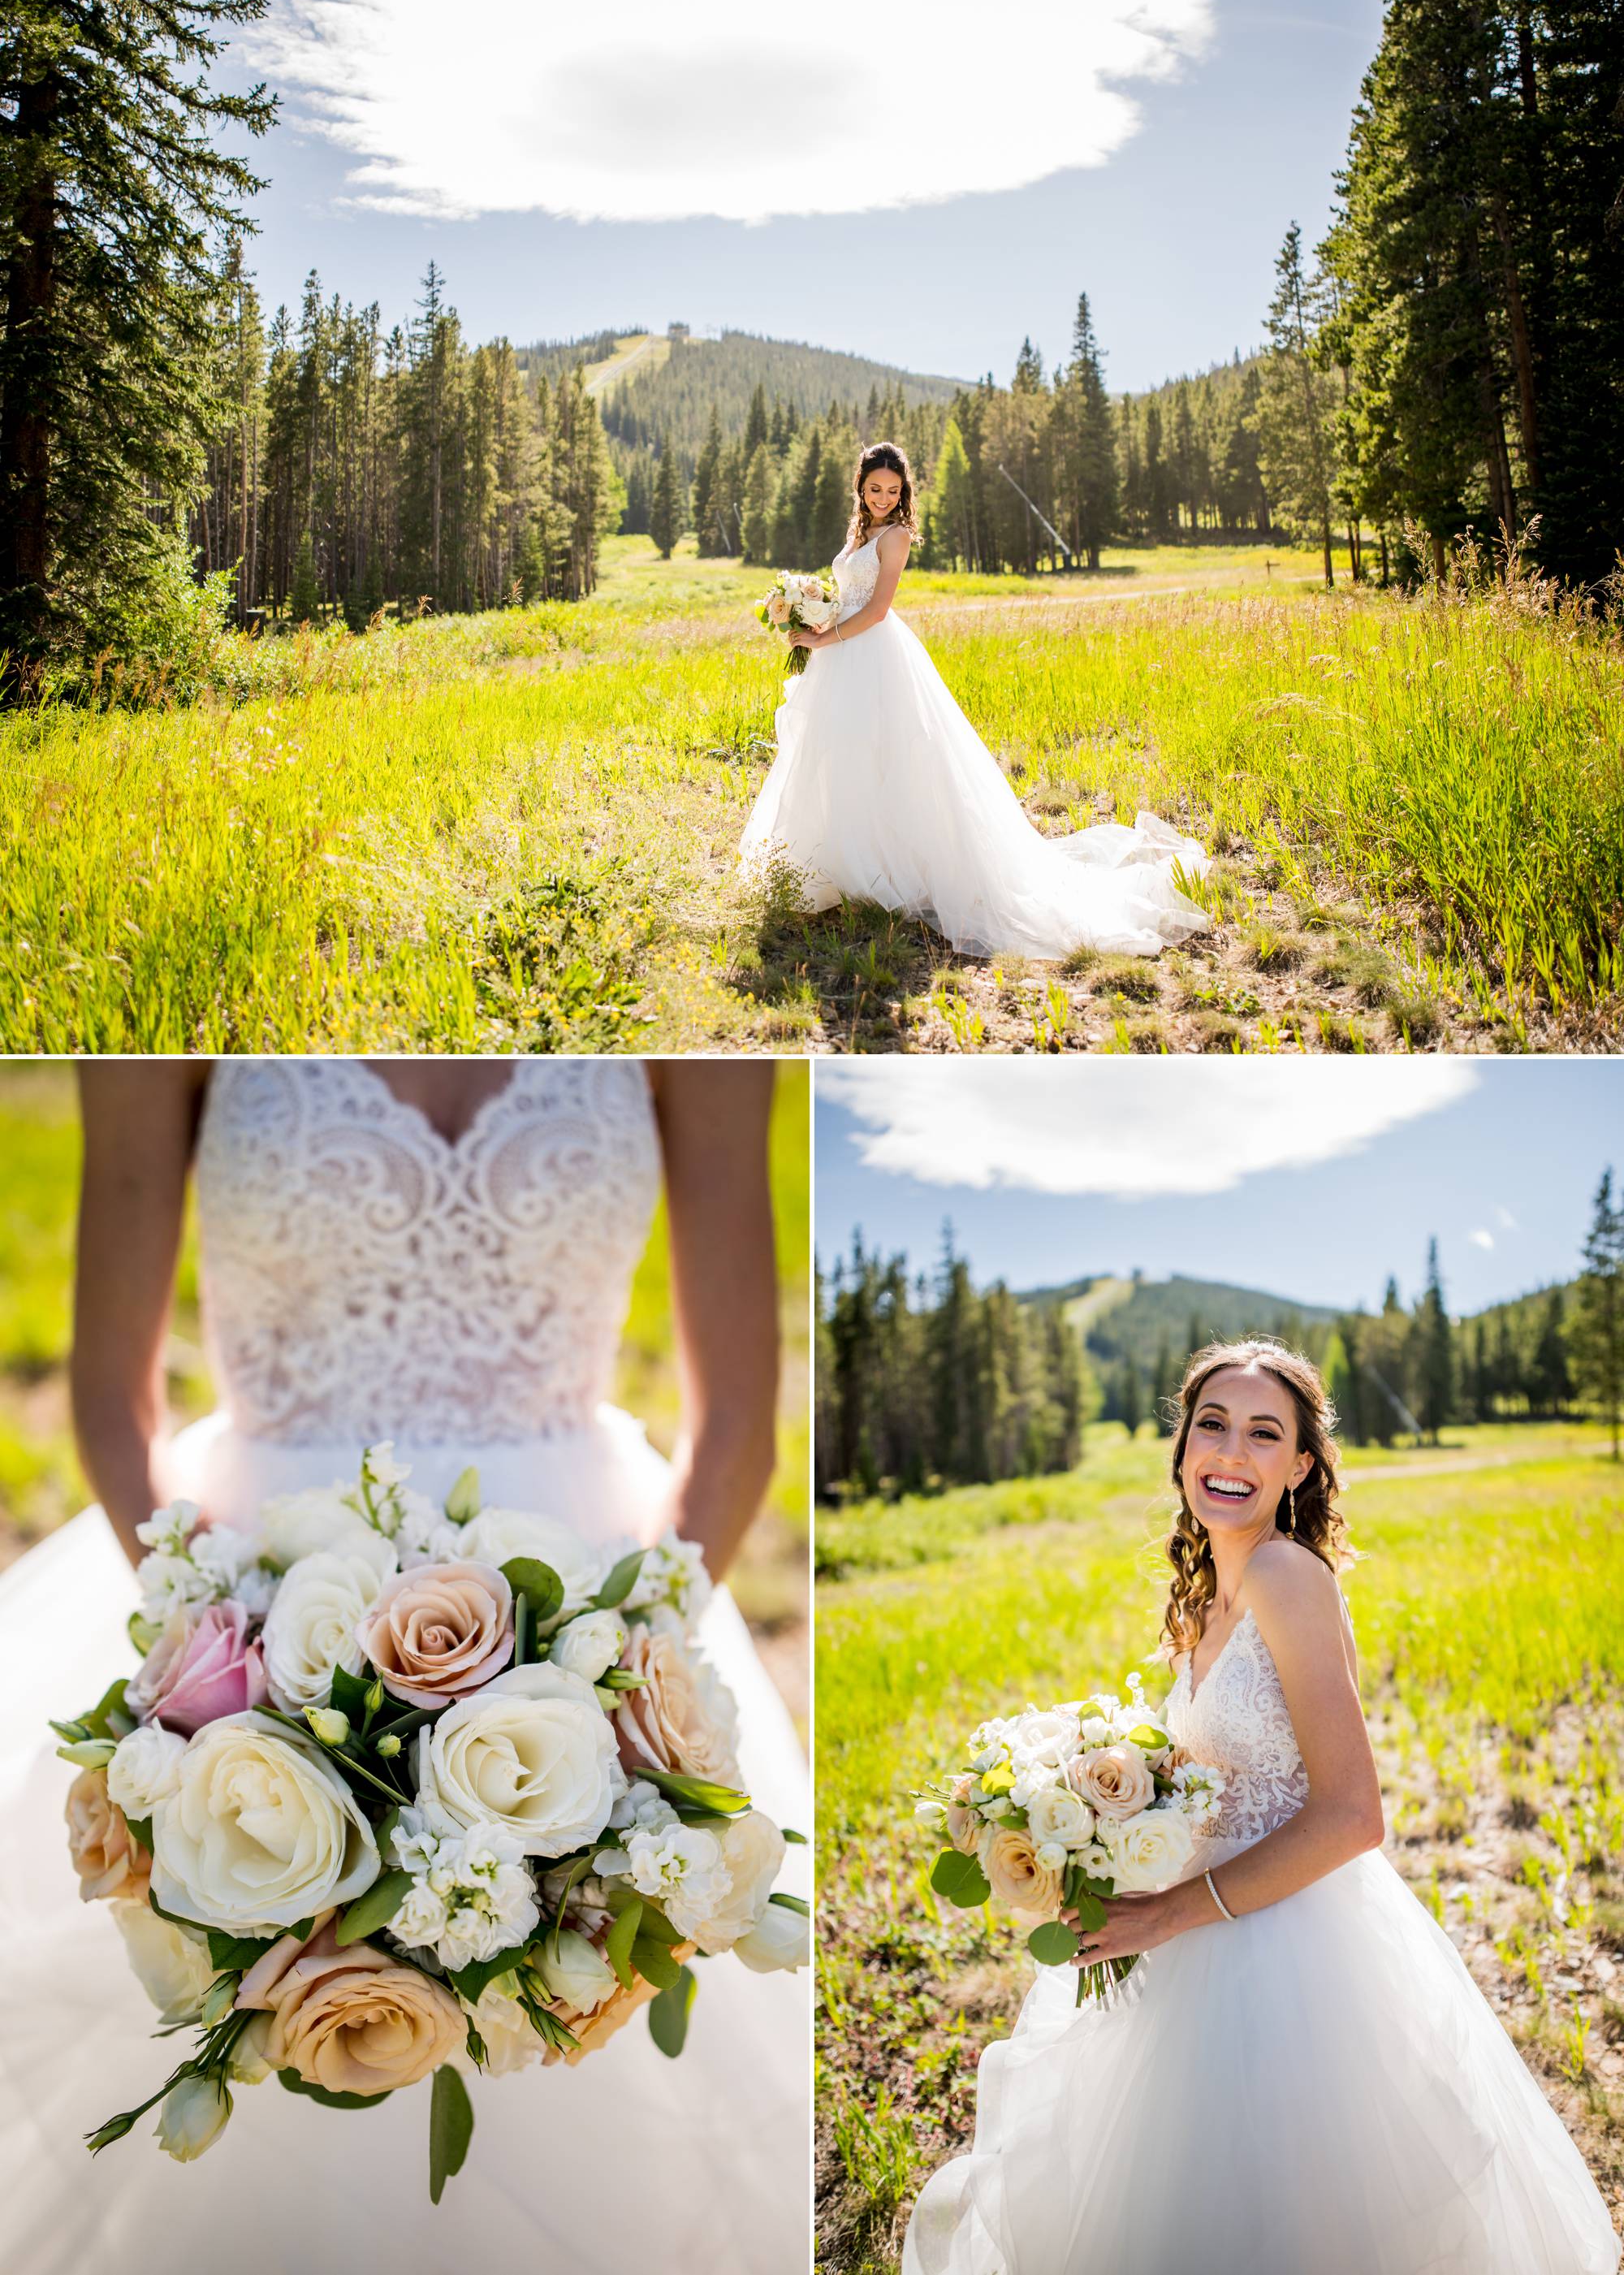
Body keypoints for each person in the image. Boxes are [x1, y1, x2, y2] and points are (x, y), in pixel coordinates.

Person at [0, 1057, 808, 2273]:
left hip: (577, 1605)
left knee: (575, 2078)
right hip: (259, 1602)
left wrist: (626, 1670)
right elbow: (111, 1400)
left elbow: (741, 1409)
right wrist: (224, 1665)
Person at [904, 1339, 1620, 2275]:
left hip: (1288, 1941)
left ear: (1299, 1466)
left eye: (1262, 1434)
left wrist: (1166, 1912)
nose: (1230, 1454)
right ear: (1180, 1448)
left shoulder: (1287, 1577)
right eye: (1211, 1425)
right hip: (1190, 1918)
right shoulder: (1204, 1594)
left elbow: (1352, 1815)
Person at [741, 439, 1209, 959]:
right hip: (841, 653)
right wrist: (815, 613)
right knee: (841, 756)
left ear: (904, 494)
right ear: (861, 487)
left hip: (872, 652)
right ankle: (838, 867)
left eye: (893, 491)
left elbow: (875, 610)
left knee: (890, 757)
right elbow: (850, 593)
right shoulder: (860, 531)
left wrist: (825, 638)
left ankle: (888, 872)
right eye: (875, 488)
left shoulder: (895, 538)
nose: (883, 498)